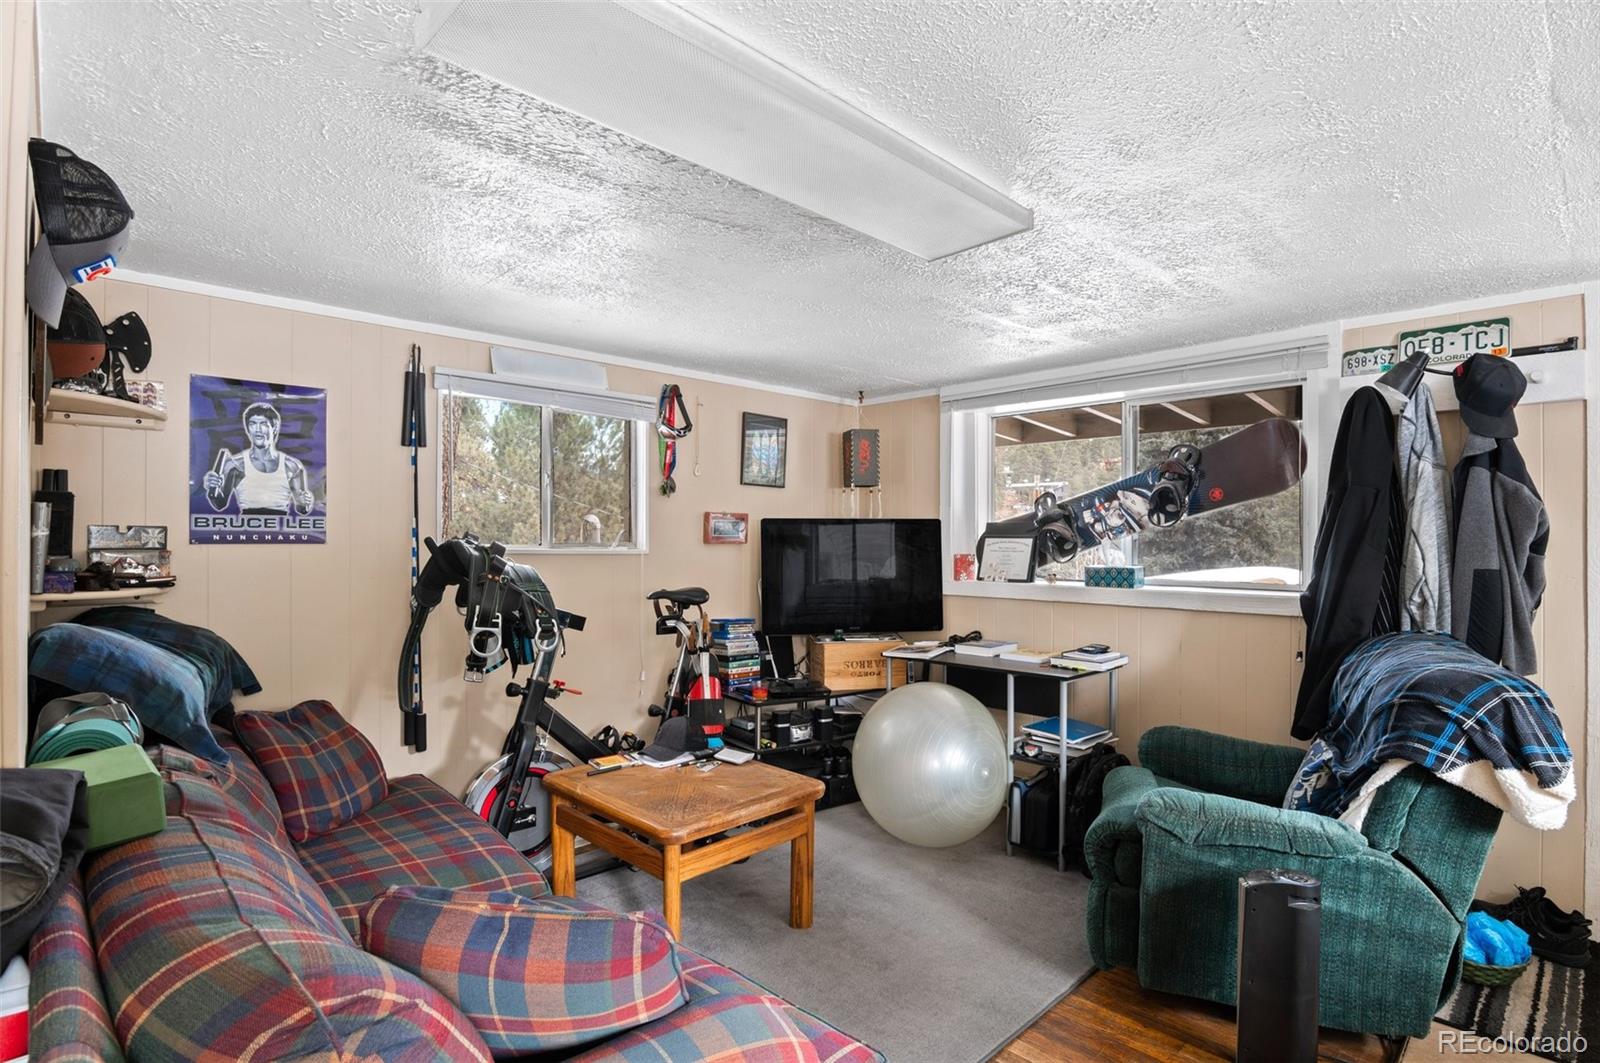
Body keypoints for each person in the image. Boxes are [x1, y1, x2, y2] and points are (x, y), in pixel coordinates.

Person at [202, 402, 315, 515]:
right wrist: (212, 488)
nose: (258, 429)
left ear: (274, 428)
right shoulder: (235, 465)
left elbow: (302, 509)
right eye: (252, 424)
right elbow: (220, 504)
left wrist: (306, 502)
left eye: (263, 424)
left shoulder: (292, 466)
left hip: (280, 524)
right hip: (247, 524)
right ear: (248, 429)